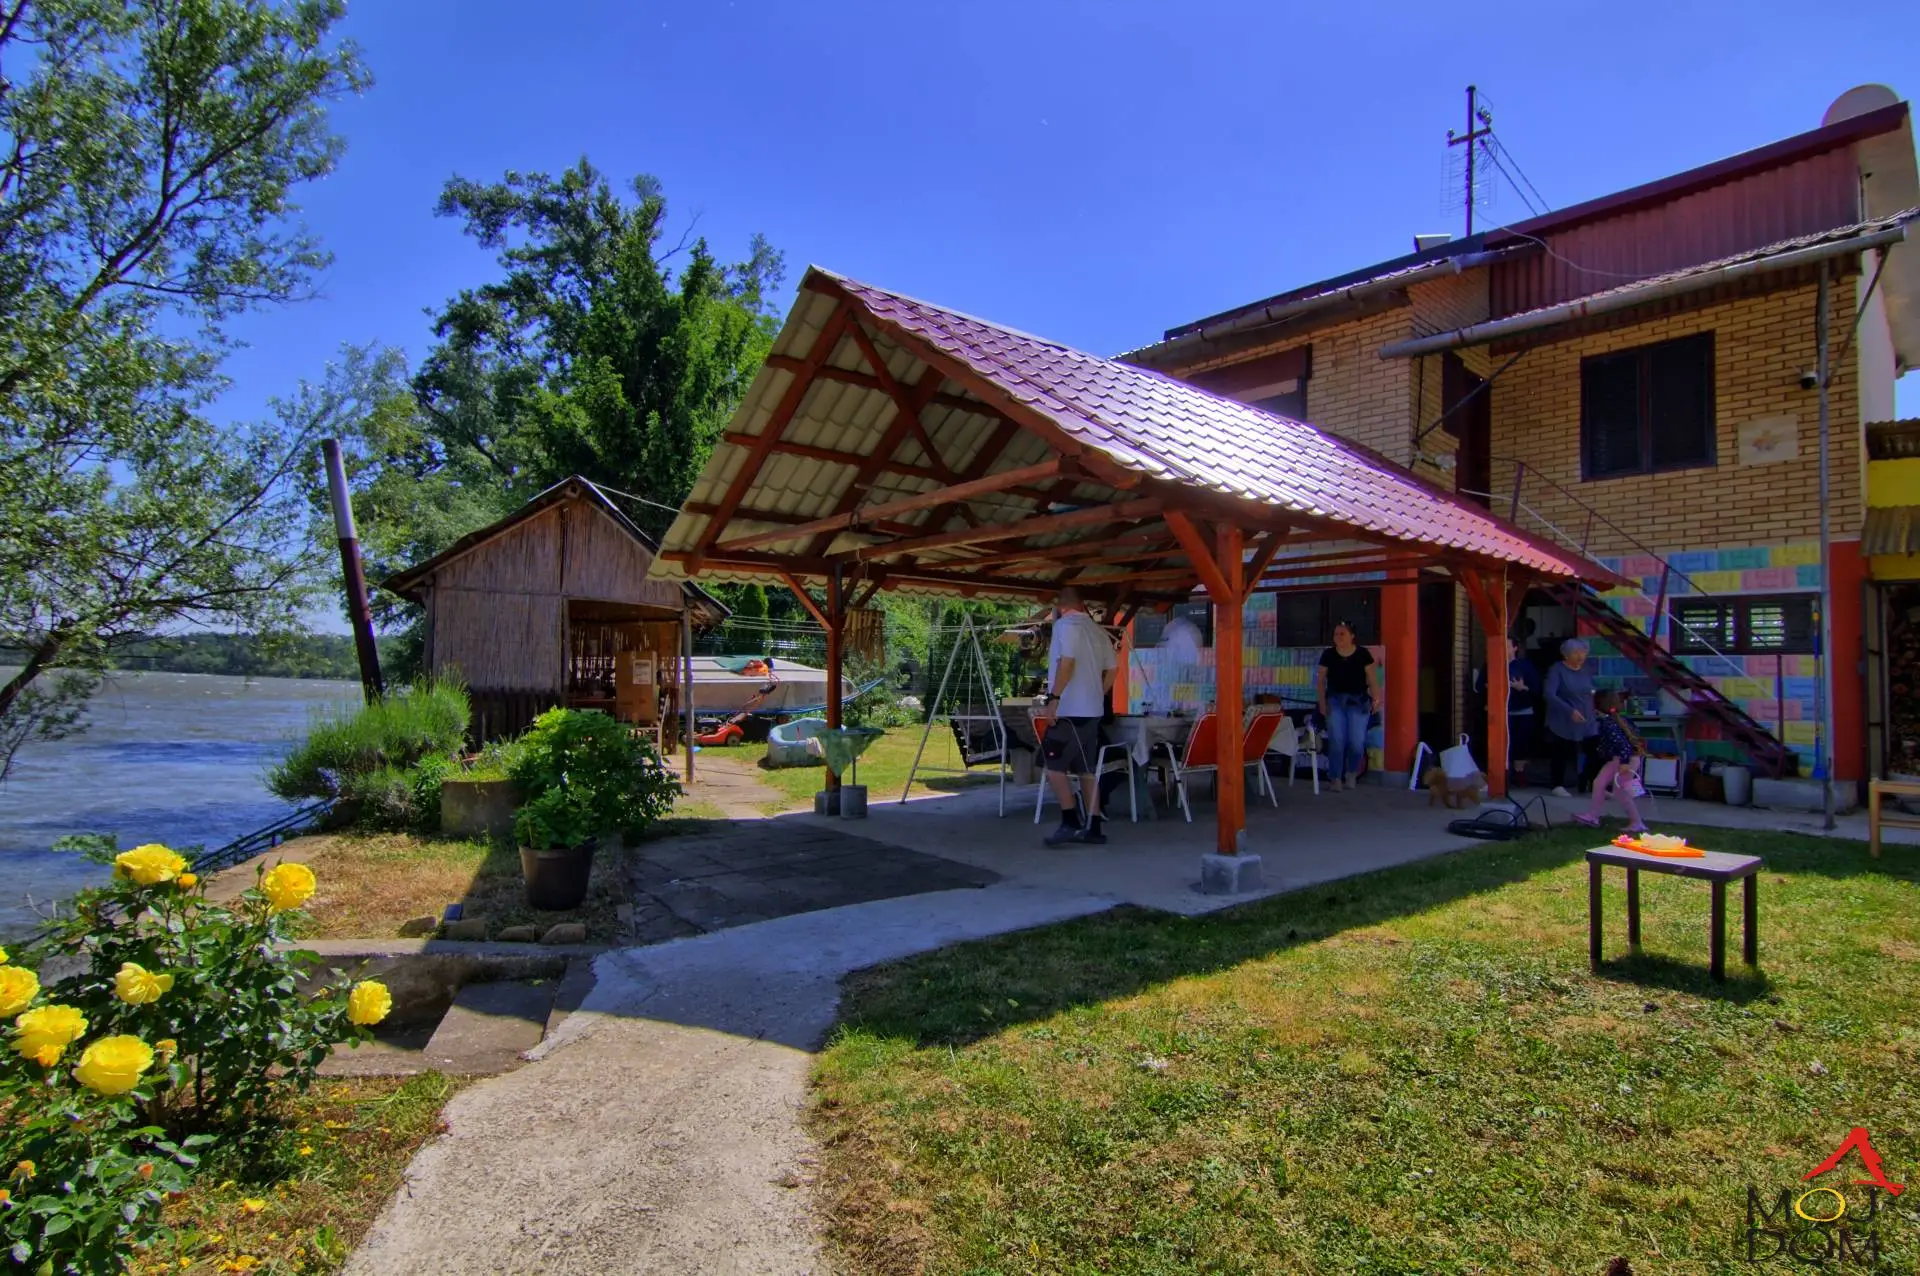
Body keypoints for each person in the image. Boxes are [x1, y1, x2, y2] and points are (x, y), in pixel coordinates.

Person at [1039, 586, 1117, 846]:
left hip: (1070, 710)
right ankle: (1093, 826)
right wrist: (1097, 693)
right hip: (1093, 711)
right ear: (1083, 604)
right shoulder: (1098, 631)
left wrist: (1054, 698)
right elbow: (1113, 669)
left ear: (1061, 607)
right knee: (1086, 769)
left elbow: (1067, 663)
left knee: (1053, 766)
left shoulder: (1065, 626)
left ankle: (1069, 820)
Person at [1316, 619, 1380, 792]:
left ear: (1352, 636)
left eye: (1342, 634)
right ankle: (1335, 778)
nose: (1338, 637)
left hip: (1358, 702)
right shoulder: (1328, 654)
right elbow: (1321, 681)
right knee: (1336, 740)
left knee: (1357, 742)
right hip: (1335, 701)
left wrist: (1376, 698)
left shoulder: (1363, 654)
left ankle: (1351, 773)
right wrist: (1322, 702)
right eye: (1336, 634)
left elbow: (1372, 679)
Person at [1573, 689, 1648, 834]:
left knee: (1622, 792)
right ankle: (1593, 816)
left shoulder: (1609, 723)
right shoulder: (1619, 720)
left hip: (1624, 761)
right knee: (1599, 783)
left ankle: (1637, 822)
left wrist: (1624, 763)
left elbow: (1622, 745)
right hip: (1620, 759)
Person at [1543, 637, 1597, 797]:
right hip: (1564, 718)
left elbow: (1590, 690)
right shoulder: (1557, 669)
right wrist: (1569, 710)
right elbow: (1549, 694)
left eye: (1583, 652)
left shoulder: (1586, 670)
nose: (1581, 656)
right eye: (1576, 653)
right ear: (1566, 655)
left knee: (1595, 750)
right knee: (1562, 751)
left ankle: (1593, 784)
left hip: (1587, 718)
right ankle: (1557, 785)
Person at [1503, 637, 1542, 787]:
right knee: (1503, 746)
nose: (1504, 649)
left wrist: (1522, 688)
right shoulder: (1491, 665)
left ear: (1515, 648)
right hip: (1500, 712)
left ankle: (1520, 775)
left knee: (1521, 745)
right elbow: (1480, 686)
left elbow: (1536, 689)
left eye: (1507, 646)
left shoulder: (1525, 666)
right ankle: (1502, 776)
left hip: (1522, 712)